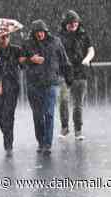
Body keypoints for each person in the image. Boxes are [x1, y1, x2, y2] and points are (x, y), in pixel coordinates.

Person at [19, 19, 71, 155]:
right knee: (37, 116)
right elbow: (20, 62)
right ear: (33, 33)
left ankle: (47, 144)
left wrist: (68, 78)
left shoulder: (55, 42)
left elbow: (64, 60)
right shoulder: (27, 44)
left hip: (51, 83)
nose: (40, 35)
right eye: (37, 33)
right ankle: (41, 142)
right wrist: (31, 60)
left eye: (41, 32)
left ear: (45, 31)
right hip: (34, 84)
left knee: (49, 113)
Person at [58, 10, 95, 140]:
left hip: (80, 73)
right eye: (71, 23)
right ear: (65, 24)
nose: (73, 25)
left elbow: (91, 50)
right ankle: (64, 127)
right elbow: (56, 54)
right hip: (64, 73)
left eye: (75, 22)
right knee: (63, 101)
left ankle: (78, 130)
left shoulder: (84, 35)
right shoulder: (60, 37)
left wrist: (87, 59)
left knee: (78, 104)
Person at [0, 34, 21, 156]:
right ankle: (7, 134)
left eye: (6, 37)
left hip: (11, 86)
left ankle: (8, 142)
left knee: (8, 114)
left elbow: (21, 65)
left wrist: (13, 62)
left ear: (9, 38)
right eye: (1, 37)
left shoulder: (16, 50)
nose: (4, 39)